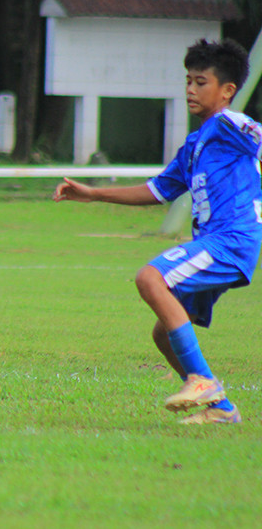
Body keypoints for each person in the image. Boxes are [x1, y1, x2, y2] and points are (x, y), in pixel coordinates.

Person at [54, 38, 260, 425]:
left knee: (150, 278)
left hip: (231, 240)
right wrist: (94, 193)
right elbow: (158, 190)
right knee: (164, 334)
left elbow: (256, 136)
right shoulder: (197, 144)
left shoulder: (230, 125)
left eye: (201, 82)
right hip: (214, 244)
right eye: (187, 81)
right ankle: (221, 410)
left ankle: (203, 382)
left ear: (227, 90)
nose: (190, 90)